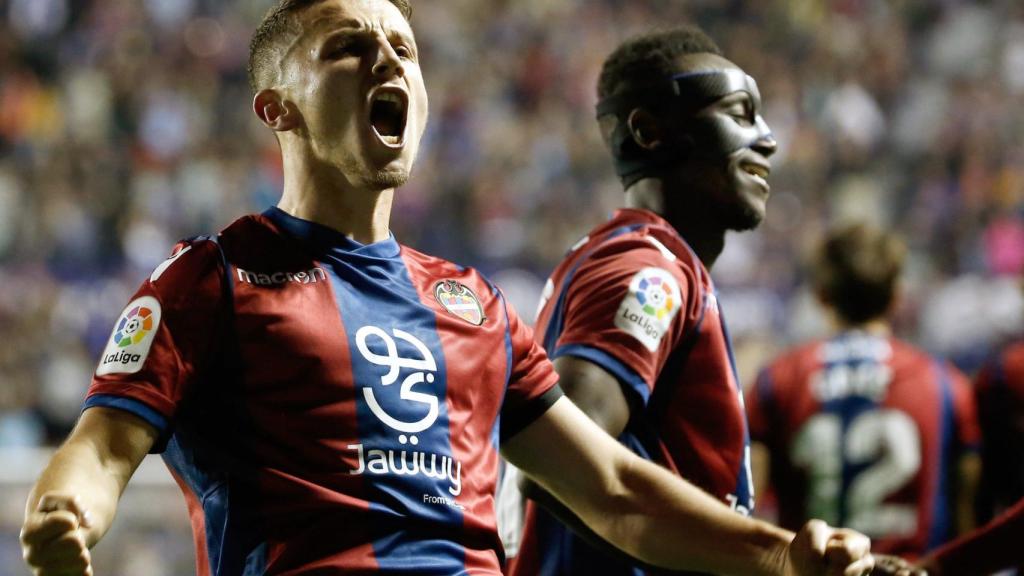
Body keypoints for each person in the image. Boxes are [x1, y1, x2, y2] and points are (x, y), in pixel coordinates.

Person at [18, 2, 875, 575]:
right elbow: (103, 444)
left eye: (404, 47)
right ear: (277, 108)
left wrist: (781, 555)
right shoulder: (213, 276)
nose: (388, 59)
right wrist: (66, 511)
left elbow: (615, 491)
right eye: (350, 46)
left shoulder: (475, 305)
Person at [509, 25, 791, 576]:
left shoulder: (628, 257)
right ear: (649, 131)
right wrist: (775, 560)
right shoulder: (648, 268)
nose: (768, 138)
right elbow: (563, 469)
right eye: (740, 113)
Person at [745, 223, 980, 560]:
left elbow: (746, 503)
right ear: (897, 296)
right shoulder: (946, 385)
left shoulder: (778, 379)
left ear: (820, 294)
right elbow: (966, 515)